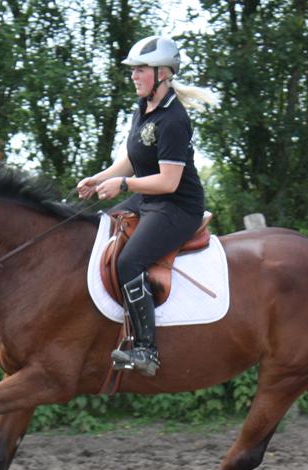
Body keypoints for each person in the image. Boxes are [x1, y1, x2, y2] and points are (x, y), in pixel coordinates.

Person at [77, 35, 214, 376]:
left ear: (163, 74)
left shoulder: (174, 120)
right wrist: (100, 177)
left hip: (177, 207)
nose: (135, 76)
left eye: (141, 70)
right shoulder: (145, 109)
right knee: (96, 234)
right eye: (134, 70)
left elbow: (168, 181)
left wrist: (122, 185)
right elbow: (133, 158)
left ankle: (146, 351)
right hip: (149, 198)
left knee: (129, 261)